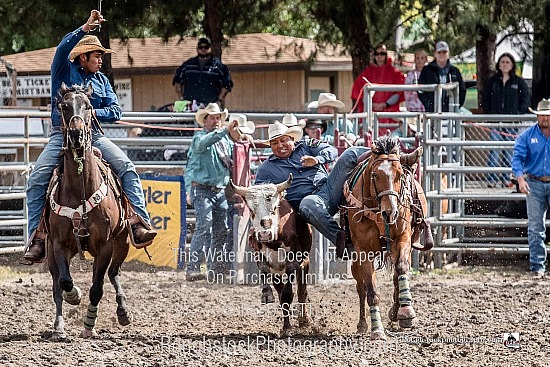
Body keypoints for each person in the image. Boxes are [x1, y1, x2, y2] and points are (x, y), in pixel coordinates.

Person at [23, 10, 157, 264]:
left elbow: (115, 111)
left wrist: (91, 111)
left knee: (127, 168)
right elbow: (63, 48)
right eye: (97, 56)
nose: (100, 60)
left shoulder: (102, 80)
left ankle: (138, 222)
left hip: (93, 135)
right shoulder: (63, 70)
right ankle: (37, 236)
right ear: (82, 57)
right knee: (37, 178)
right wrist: (85, 28)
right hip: (61, 136)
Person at [254, 121, 369, 259]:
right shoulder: (265, 169)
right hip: (306, 206)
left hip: (330, 190)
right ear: (270, 147)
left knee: (350, 153)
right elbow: (259, 196)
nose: (280, 145)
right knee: (308, 203)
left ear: (292, 139)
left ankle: (384, 154)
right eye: (274, 143)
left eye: (283, 140)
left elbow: (331, 151)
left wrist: (317, 159)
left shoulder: (307, 146)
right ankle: (343, 242)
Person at [185, 103, 250, 280]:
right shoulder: (199, 137)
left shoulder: (225, 140)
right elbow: (206, 142)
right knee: (204, 226)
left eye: (218, 117)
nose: (216, 120)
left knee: (221, 230)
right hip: (202, 189)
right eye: (213, 117)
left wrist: (242, 138)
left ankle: (214, 269)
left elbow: (236, 151)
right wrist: (226, 131)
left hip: (220, 190)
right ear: (204, 121)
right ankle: (193, 268)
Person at [511, 98, 550, 279]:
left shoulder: (527, 135)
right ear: (537, 116)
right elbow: (517, 158)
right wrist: (520, 179)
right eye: (543, 115)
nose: (545, 118)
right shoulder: (527, 136)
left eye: (548, 115)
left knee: (536, 227)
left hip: (537, 181)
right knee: (535, 227)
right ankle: (537, 266)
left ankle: (539, 265)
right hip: (534, 182)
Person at [482, 52, 530, 188]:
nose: (505, 64)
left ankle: (506, 178)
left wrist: (518, 113)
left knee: (509, 151)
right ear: (498, 64)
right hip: (495, 122)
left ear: (512, 64)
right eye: (502, 62)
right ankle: (491, 179)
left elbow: (525, 99)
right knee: (494, 150)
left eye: (507, 62)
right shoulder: (493, 81)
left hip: (512, 122)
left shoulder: (518, 82)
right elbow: (485, 99)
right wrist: (490, 114)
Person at [351, 44, 405, 134]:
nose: (379, 56)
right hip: (371, 112)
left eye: (382, 53)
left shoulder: (394, 73)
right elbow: (359, 91)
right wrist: (372, 104)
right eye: (377, 53)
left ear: (386, 54)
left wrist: (385, 104)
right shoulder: (367, 72)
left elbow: (398, 93)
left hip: (389, 113)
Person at [172, 37, 233, 110]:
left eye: (206, 47)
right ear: (197, 49)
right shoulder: (188, 65)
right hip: (190, 107)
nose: (203, 49)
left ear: (210, 48)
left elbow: (227, 84)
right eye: (201, 47)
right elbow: (177, 81)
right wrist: (181, 99)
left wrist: (219, 100)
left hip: (210, 107)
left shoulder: (218, 66)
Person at [418, 41, 466, 112]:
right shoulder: (427, 70)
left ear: (448, 53)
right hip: (432, 112)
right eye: (439, 52)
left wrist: (456, 105)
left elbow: (462, 90)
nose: (442, 54)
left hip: (451, 111)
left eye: (444, 52)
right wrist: (429, 104)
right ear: (435, 54)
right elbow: (420, 90)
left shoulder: (454, 71)